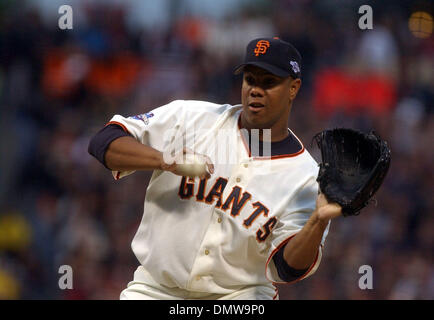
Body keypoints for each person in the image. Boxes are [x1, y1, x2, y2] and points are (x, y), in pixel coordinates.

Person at [88, 37, 342, 300]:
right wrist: (163, 159)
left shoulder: (306, 176)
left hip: (240, 299)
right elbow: (104, 141)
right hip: (155, 290)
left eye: (269, 82)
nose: (255, 90)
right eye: (250, 79)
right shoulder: (191, 118)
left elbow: (288, 268)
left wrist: (318, 222)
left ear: (293, 88)